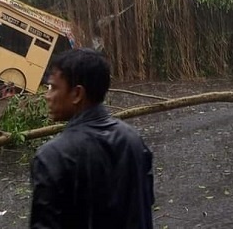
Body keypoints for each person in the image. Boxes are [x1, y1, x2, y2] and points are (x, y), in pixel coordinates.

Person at [30, 48, 154, 229]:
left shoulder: (52, 157)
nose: (47, 96)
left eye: (53, 88)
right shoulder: (134, 140)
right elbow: (145, 206)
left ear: (77, 94)